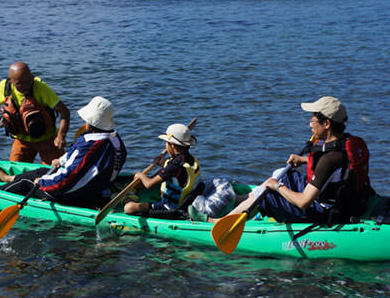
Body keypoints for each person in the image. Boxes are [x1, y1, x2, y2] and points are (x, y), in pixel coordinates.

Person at [210, 96, 374, 224]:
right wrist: (304, 160)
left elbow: (303, 202)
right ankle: (244, 201)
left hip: (324, 211)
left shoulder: (328, 159)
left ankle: (221, 221)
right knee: (284, 175)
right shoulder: (347, 143)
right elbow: (339, 169)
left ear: (326, 123)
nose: (310, 125)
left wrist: (277, 186)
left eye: (313, 121)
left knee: (268, 193)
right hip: (341, 199)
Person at [0, 96, 127, 209]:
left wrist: (42, 182)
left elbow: (68, 177)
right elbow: (86, 161)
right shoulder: (115, 140)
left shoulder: (88, 145)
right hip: (97, 188)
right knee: (42, 170)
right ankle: (9, 178)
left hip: (72, 195)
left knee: (28, 182)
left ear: (91, 122)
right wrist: (61, 160)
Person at [0, 61, 70, 165]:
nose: (26, 86)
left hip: (47, 140)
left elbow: (64, 111)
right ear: (11, 81)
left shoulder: (41, 89)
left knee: (57, 171)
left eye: (28, 81)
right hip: (22, 140)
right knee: (14, 171)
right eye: (20, 84)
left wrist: (61, 136)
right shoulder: (5, 88)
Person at [124, 123, 201, 215]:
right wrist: (160, 161)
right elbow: (170, 165)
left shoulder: (174, 166)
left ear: (172, 145)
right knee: (161, 172)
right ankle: (137, 187)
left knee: (128, 208)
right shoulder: (190, 159)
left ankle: (128, 197)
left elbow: (149, 185)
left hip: (169, 207)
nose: (166, 146)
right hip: (184, 201)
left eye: (166, 143)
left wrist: (140, 175)